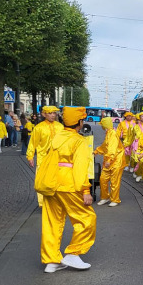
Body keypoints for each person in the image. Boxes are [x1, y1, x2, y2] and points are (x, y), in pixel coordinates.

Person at [37, 107, 96, 273]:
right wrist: (85, 190)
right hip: (68, 184)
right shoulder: (79, 141)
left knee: (51, 222)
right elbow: (80, 167)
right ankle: (73, 253)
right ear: (79, 122)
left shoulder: (57, 136)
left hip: (51, 183)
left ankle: (52, 261)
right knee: (86, 218)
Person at [94, 116, 125, 207]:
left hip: (116, 160)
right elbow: (105, 146)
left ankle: (115, 199)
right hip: (110, 160)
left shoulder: (113, 134)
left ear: (104, 125)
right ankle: (105, 197)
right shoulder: (108, 133)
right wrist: (96, 151)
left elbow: (112, 148)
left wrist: (109, 160)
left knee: (115, 181)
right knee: (103, 179)